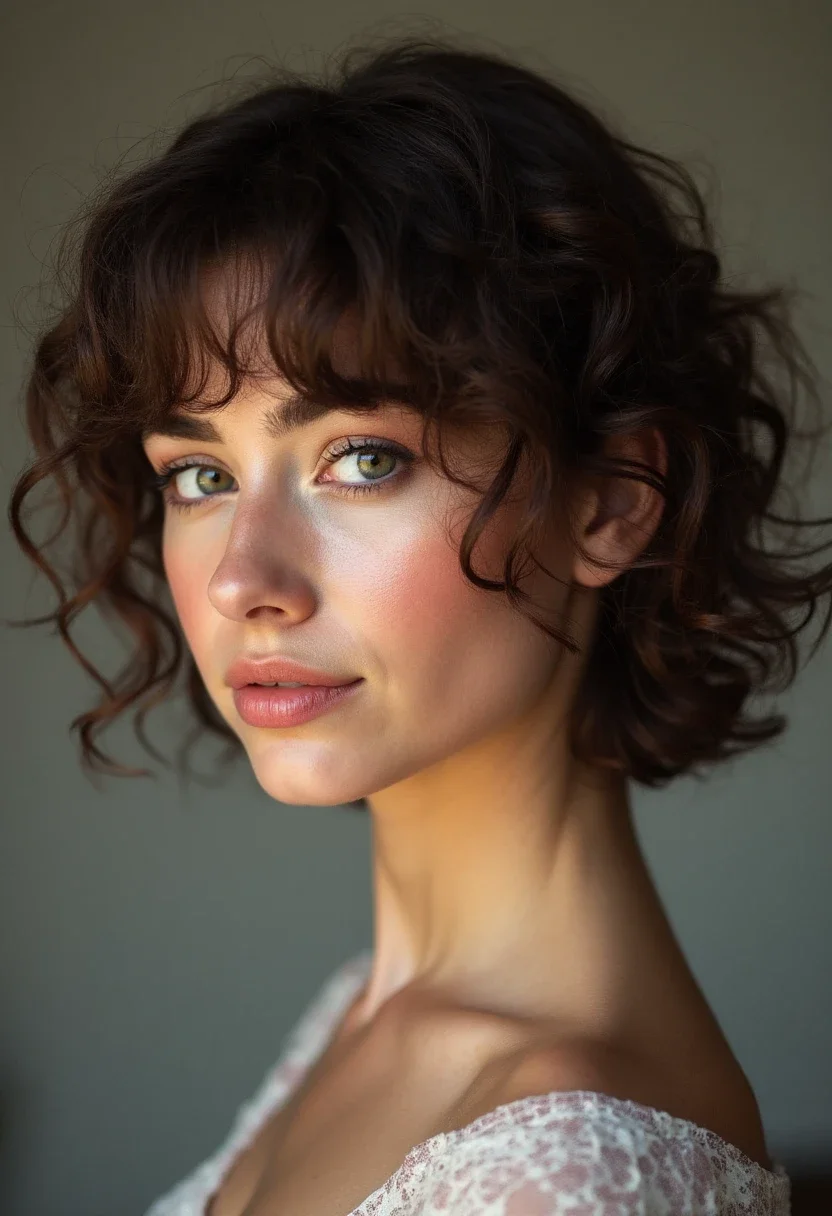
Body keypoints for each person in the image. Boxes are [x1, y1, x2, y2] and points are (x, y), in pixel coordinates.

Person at [8, 33, 830, 1216]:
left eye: (360, 457)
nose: (246, 578)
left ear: (610, 504)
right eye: (198, 475)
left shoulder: (561, 1179)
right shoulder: (367, 1006)